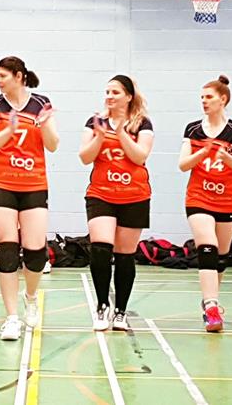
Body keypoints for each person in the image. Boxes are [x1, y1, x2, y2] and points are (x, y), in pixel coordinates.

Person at [0, 56, 58, 341]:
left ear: (19, 76)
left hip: (34, 182)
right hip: (1, 182)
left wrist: (45, 124)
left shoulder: (41, 103)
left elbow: (53, 145)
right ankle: (12, 317)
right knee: (8, 249)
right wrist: (8, 131)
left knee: (35, 251)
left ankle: (31, 296)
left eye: (2, 75)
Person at [78, 75, 152, 332]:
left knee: (124, 255)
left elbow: (139, 157)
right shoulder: (95, 122)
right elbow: (84, 157)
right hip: (101, 193)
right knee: (100, 248)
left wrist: (120, 132)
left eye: (115, 92)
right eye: (107, 92)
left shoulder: (142, 124)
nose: (109, 96)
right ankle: (102, 305)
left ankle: (120, 310)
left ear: (128, 97)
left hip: (134, 195)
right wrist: (99, 137)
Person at [178, 75, 232, 333]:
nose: (204, 101)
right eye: (202, 97)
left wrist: (225, 157)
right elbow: (183, 164)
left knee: (220, 257)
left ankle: (211, 301)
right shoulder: (193, 129)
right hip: (199, 197)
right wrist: (201, 152)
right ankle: (211, 306)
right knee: (207, 247)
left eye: (209, 97)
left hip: (228, 199)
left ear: (223, 99)